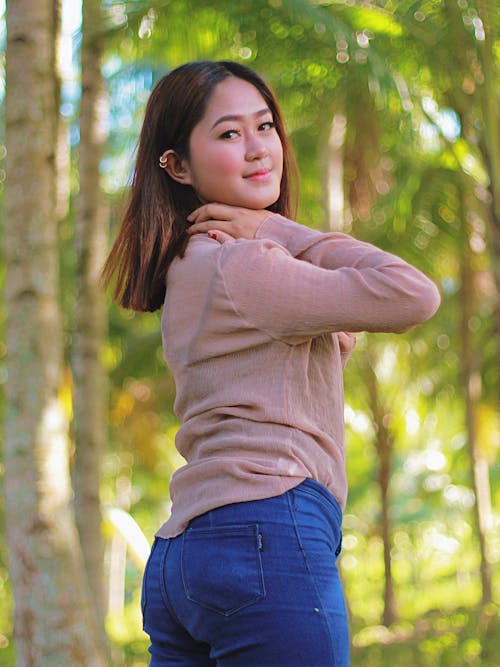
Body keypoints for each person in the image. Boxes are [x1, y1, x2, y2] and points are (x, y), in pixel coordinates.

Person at [102, 60, 440, 667]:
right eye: (229, 134)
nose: (260, 149)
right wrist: (279, 229)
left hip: (185, 554)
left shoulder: (193, 265)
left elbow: (335, 335)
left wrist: (269, 234)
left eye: (265, 127)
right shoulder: (244, 264)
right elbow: (412, 292)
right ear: (176, 164)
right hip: (266, 530)